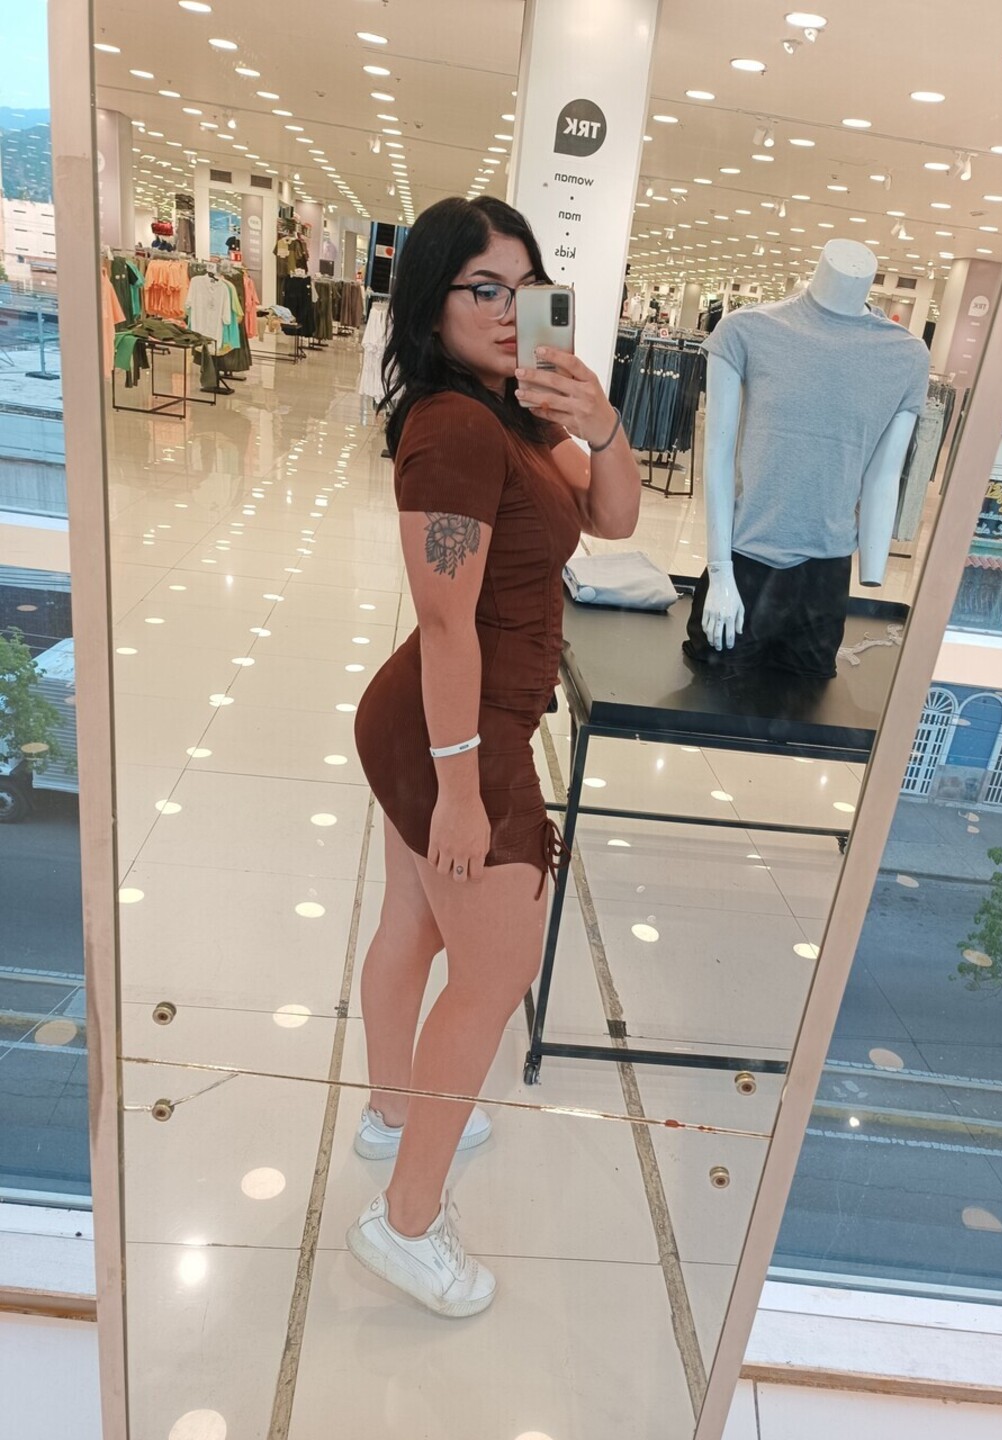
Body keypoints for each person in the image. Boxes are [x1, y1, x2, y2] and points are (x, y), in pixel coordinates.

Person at [348, 196, 641, 1317]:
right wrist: (463, 794)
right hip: (454, 732)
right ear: (432, 303)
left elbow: (614, 519)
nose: (512, 310)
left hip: (434, 721)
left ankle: (393, 1116)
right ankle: (405, 1222)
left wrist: (598, 422)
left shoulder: (510, 412)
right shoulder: (456, 431)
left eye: (527, 288)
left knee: (414, 926)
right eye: (485, 289)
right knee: (495, 972)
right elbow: (444, 622)